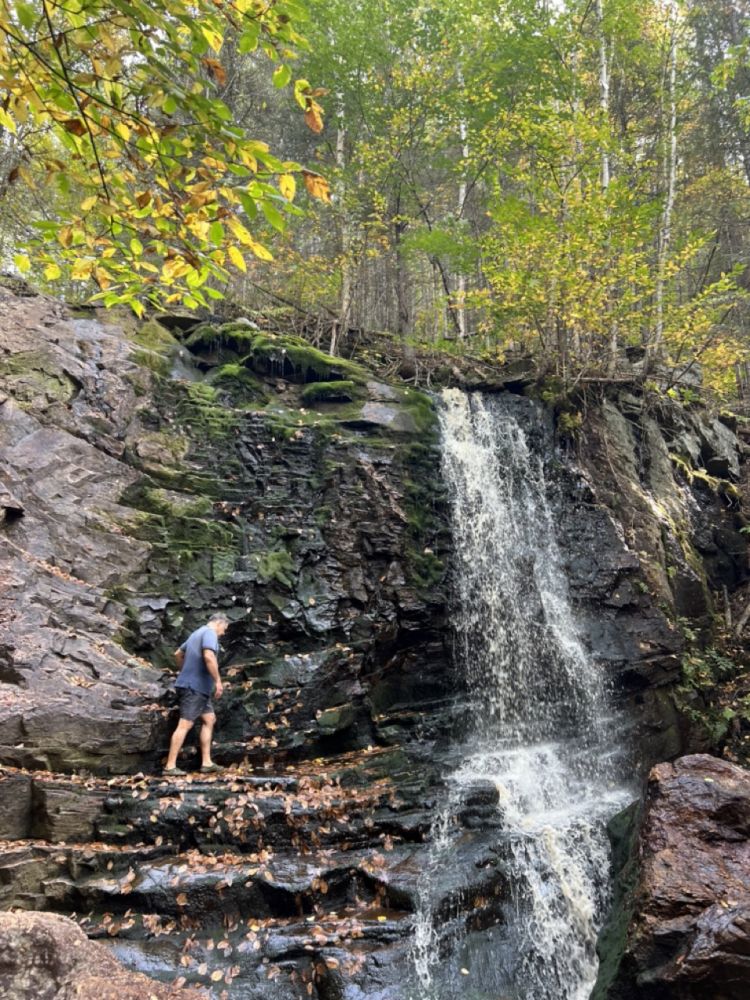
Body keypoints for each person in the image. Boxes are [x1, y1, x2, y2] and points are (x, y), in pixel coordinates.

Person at [163, 613, 229, 776]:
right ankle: (170, 766)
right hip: (194, 687)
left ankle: (206, 763)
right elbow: (209, 656)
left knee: (209, 719)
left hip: (196, 686)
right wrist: (218, 681)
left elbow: (178, 654)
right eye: (224, 629)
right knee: (185, 724)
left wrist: (185, 671)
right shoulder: (210, 633)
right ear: (219, 623)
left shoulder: (196, 633)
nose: (223, 633)